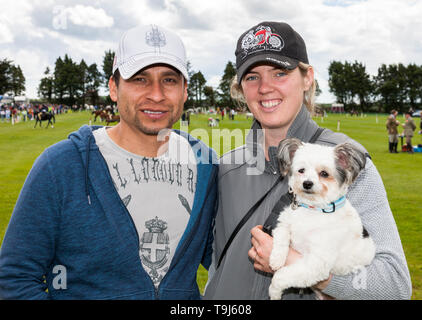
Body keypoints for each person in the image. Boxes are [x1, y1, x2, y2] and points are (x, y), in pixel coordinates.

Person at [0, 24, 218, 300]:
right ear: (114, 88)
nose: (156, 94)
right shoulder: (60, 166)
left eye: (170, 80)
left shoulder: (205, 164)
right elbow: (16, 278)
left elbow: (223, 257)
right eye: (139, 79)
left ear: (185, 91)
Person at [204, 21, 411, 300]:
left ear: (307, 78)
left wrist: (303, 267)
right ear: (241, 88)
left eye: (280, 73)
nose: (265, 87)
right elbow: (217, 261)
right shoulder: (227, 166)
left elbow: (394, 285)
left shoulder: (344, 165)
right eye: (252, 77)